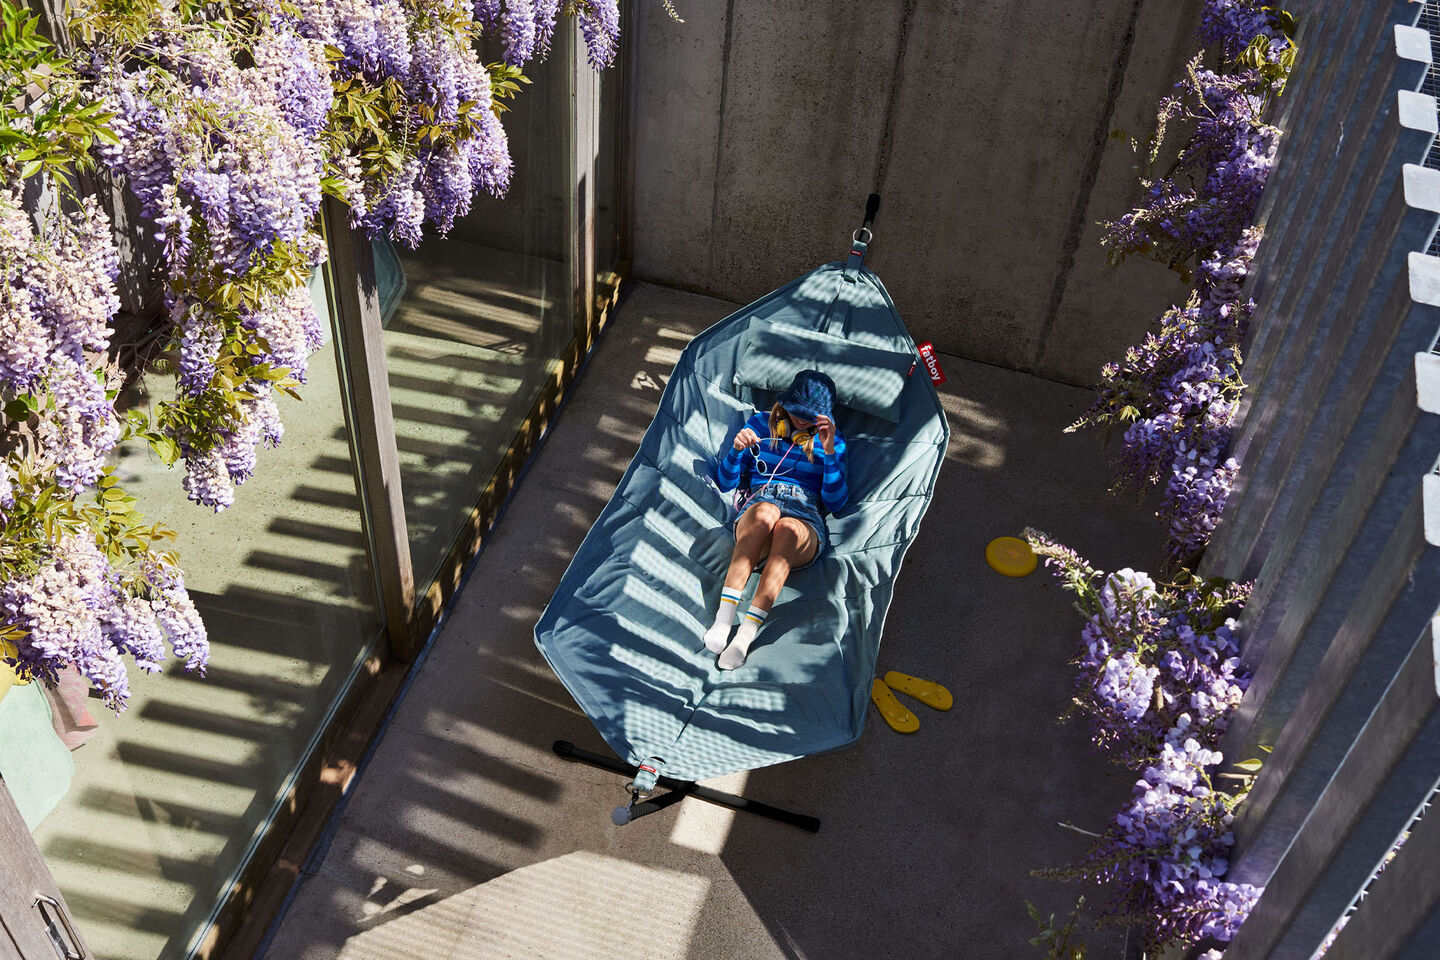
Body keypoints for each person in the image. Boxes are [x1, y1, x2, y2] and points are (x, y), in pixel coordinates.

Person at [706, 369, 849, 669]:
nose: (803, 421)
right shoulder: (759, 424)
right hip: (760, 506)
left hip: (805, 516)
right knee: (766, 513)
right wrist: (736, 451)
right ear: (785, 404)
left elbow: (836, 503)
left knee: (787, 528)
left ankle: (745, 635)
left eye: (811, 417)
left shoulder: (832, 441)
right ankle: (723, 620)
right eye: (798, 413)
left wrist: (829, 455)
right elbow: (725, 482)